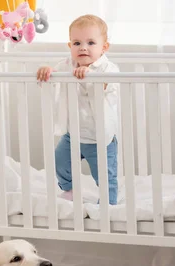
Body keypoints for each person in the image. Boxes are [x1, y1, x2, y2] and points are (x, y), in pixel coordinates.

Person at [36, 14, 119, 205]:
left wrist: (91, 76)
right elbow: (54, 77)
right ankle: (70, 190)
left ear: (104, 47)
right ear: (69, 46)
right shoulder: (68, 64)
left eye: (91, 42)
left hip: (100, 138)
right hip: (73, 133)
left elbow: (110, 86)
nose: (83, 47)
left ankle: (108, 205)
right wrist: (47, 71)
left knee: (105, 175)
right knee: (60, 162)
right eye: (77, 43)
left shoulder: (108, 68)